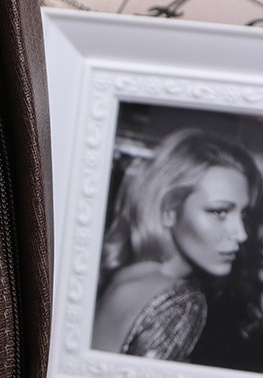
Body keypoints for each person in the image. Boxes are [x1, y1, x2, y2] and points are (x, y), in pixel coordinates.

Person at [92, 127, 260, 361]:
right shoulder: (180, 302)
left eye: (243, 214)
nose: (241, 234)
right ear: (169, 212)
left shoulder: (125, 277)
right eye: (219, 212)